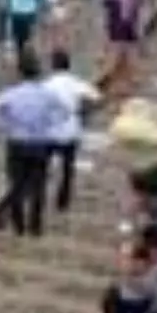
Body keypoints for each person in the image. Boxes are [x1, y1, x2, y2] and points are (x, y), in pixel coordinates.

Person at [0, 52, 68, 237]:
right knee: (39, 184)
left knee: (16, 185)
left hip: (16, 142)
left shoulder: (12, 93)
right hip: (39, 144)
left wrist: (4, 126)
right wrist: (48, 125)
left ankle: (19, 226)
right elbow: (64, 113)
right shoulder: (46, 94)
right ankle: (35, 226)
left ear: (20, 72)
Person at [43, 49, 100, 212]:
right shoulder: (75, 83)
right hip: (71, 131)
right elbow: (96, 97)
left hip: (50, 132)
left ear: (53, 66)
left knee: (43, 164)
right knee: (67, 168)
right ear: (68, 65)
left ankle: (40, 193)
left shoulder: (46, 85)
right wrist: (84, 112)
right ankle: (63, 201)